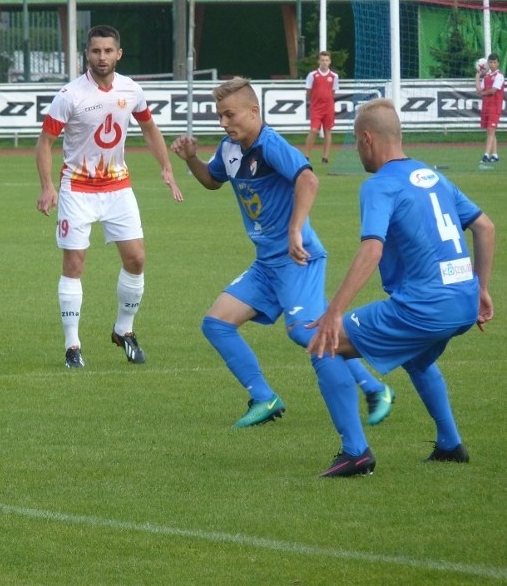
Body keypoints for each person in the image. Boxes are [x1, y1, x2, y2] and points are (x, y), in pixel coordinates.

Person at [169, 77, 394, 432]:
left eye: (230, 115)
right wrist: (191, 158)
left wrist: (294, 229)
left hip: (296, 259)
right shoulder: (229, 149)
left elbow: (308, 180)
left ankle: (375, 387)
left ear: (254, 112)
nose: (224, 123)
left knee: (305, 332)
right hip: (267, 264)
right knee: (216, 323)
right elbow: (212, 181)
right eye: (220, 116)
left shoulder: (271, 144)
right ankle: (264, 397)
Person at [308, 98, 495, 477]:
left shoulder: (379, 185)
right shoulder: (433, 177)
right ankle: (450, 444)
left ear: (366, 139)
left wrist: (334, 312)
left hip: (426, 306)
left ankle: (355, 453)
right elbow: (485, 227)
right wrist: (481, 288)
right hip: (462, 301)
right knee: (417, 358)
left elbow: (372, 249)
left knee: (324, 345)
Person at [35, 25, 183, 368]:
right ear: (86, 55)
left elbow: (149, 127)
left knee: (136, 259)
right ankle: (73, 346)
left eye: (108, 51)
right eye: (95, 51)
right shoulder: (70, 95)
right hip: (78, 190)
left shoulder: (131, 90)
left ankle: (124, 331)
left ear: (119, 54)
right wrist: (47, 186)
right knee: (74, 265)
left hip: (118, 187)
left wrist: (166, 167)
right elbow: (45, 143)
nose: (101, 57)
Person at [303, 51, 339, 165]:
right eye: (322, 60)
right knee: (313, 130)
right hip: (316, 107)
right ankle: (306, 155)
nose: (324, 62)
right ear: (319, 61)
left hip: (328, 107)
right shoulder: (312, 75)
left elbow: (333, 91)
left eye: (326, 60)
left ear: (330, 61)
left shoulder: (334, 76)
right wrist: (314, 100)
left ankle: (325, 157)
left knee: (327, 131)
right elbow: (308, 91)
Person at [475, 52, 503, 165]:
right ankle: (495, 155)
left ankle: (486, 155)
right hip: (486, 107)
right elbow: (478, 90)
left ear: (498, 63)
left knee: (491, 132)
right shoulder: (486, 76)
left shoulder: (499, 76)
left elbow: (493, 91)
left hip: (494, 107)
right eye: (490, 62)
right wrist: (477, 76)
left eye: (494, 62)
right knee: (490, 132)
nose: (492, 64)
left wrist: (482, 93)